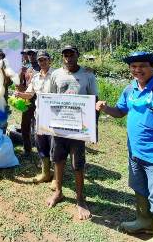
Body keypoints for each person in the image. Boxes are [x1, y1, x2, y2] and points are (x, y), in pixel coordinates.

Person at [96, 51, 153, 241]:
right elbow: (121, 111)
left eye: (142, 66)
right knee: (139, 188)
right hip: (135, 154)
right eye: (133, 66)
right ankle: (144, 220)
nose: (137, 70)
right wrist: (106, 108)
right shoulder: (130, 89)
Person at [46, 45, 98, 220]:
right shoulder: (55, 75)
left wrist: (93, 128)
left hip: (79, 126)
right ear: (62, 57)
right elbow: (50, 99)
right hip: (59, 125)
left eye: (71, 54)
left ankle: (80, 199)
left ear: (77, 55)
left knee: (78, 164)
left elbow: (94, 101)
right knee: (58, 159)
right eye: (65, 55)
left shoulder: (87, 75)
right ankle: (59, 192)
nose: (68, 57)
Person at [15, 50, 54, 183]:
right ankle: (46, 173)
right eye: (40, 60)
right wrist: (19, 94)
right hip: (40, 115)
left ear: (50, 60)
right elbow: (29, 93)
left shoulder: (56, 75)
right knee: (41, 143)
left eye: (44, 59)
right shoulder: (36, 77)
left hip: (54, 116)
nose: (42, 62)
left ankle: (57, 176)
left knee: (55, 145)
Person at [17, 49, 40, 156]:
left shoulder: (42, 66)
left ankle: (42, 151)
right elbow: (20, 85)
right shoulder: (26, 68)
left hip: (40, 100)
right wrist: (21, 73)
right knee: (25, 124)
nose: (30, 56)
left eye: (33, 54)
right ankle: (27, 149)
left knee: (39, 125)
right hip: (28, 99)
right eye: (29, 54)